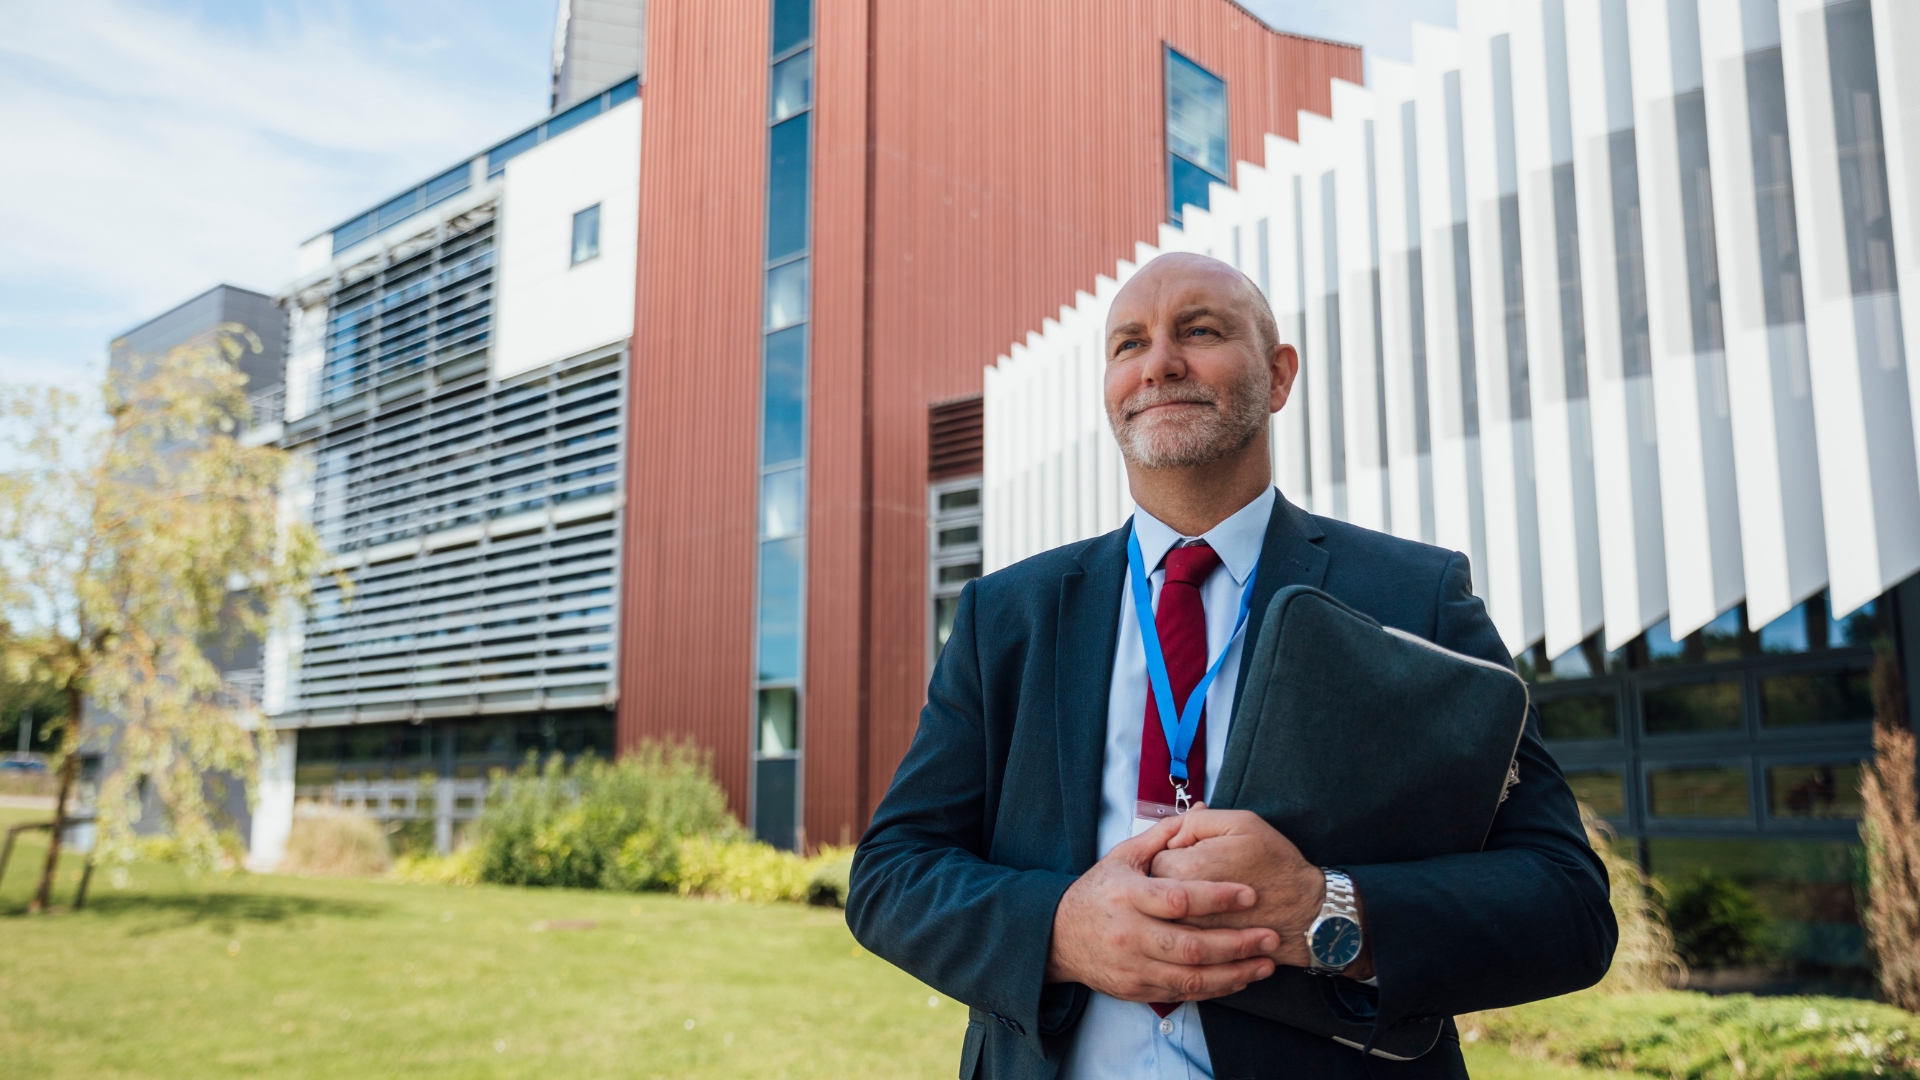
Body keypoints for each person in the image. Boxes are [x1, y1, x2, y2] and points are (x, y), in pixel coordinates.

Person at [847, 253, 1616, 1079]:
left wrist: (1326, 909)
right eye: (1128, 343)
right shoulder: (1009, 615)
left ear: (1279, 376)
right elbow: (893, 874)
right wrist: (1061, 930)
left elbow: (1566, 902)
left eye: (1200, 331)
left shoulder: (1415, 595)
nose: (1160, 362)